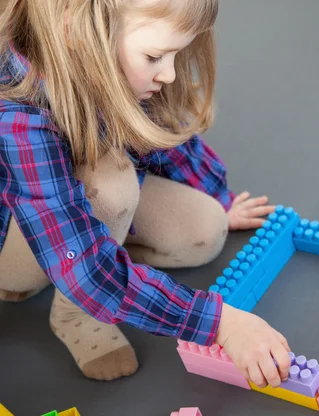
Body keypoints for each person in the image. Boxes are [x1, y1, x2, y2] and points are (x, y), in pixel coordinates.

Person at [0, 0, 292, 388]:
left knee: (205, 229)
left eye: (175, 55)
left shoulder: (111, 58)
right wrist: (220, 323)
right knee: (111, 187)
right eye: (156, 56)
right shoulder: (18, 115)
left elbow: (166, 137)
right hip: (15, 243)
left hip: (77, 213)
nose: (168, 74)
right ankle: (76, 313)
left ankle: (112, 261)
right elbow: (88, 272)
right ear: (77, 30)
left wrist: (220, 199)